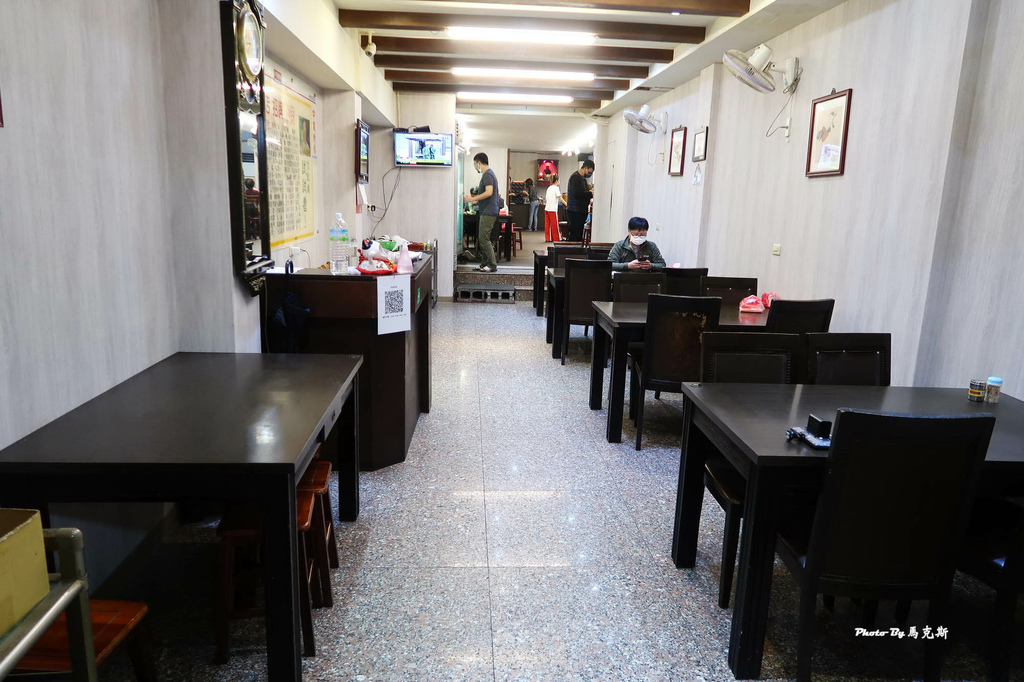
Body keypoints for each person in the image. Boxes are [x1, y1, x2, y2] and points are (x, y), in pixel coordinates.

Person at [464, 152, 499, 272]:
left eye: (475, 164)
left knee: (484, 239)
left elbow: (489, 192)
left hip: (489, 212)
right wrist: (476, 202)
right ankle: (484, 264)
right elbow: (487, 195)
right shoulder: (487, 174)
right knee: (482, 238)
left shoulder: (488, 174)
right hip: (486, 210)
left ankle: (492, 265)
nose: (475, 167)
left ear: (479, 163)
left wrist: (472, 199)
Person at [566, 159, 594, 242]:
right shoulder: (575, 178)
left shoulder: (583, 179)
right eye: (590, 172)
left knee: (578, 235)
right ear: (585, 168)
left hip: (580, 211)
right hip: (575, 211)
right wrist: (590, 194)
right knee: (575, 235)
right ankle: (573, 249)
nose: (590, 174)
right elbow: (577, 194)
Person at [544, 175, 567, 243]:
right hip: (553, 209)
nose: (559, 182)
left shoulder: (549, 188)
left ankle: (548, 238)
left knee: (547, 224)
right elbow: (560, 198)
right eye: (559, 180)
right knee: (555, 224)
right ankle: (557, 238)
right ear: (556, 181)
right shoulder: (556, 188)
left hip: (547, 208)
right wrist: (566, 204)